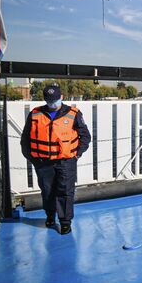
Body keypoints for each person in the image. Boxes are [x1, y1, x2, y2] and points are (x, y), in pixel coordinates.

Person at [20, 84, 90, 235]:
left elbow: (85, 136)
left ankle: (65, 222)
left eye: (55, 99)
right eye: (49, 100)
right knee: (47, 191)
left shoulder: (74, 114)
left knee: (65, 191)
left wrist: (77, 154)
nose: (53, 103)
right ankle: (50, 216)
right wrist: (32, 158)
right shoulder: (35, 113)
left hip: (66, 161)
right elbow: (25, 138)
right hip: (42, 162)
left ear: (62, 97)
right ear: (45, 99)